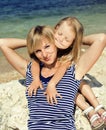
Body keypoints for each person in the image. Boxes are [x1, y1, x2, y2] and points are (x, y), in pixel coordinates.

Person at [0, 22, 106, 130]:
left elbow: (101, 39)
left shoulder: (73, 71)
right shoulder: (31, 71)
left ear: (55, 43)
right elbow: (3, 43)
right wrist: (34, 41)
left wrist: (71, 41)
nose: (44, 54)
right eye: (38, 50)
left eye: (47, 46)